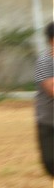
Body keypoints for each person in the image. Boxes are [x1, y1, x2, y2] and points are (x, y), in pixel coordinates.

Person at [37, 21, 54, 178]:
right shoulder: (45, 63)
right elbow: (51, 89)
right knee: (50, 162)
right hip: (48, 121)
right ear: (51, 41)